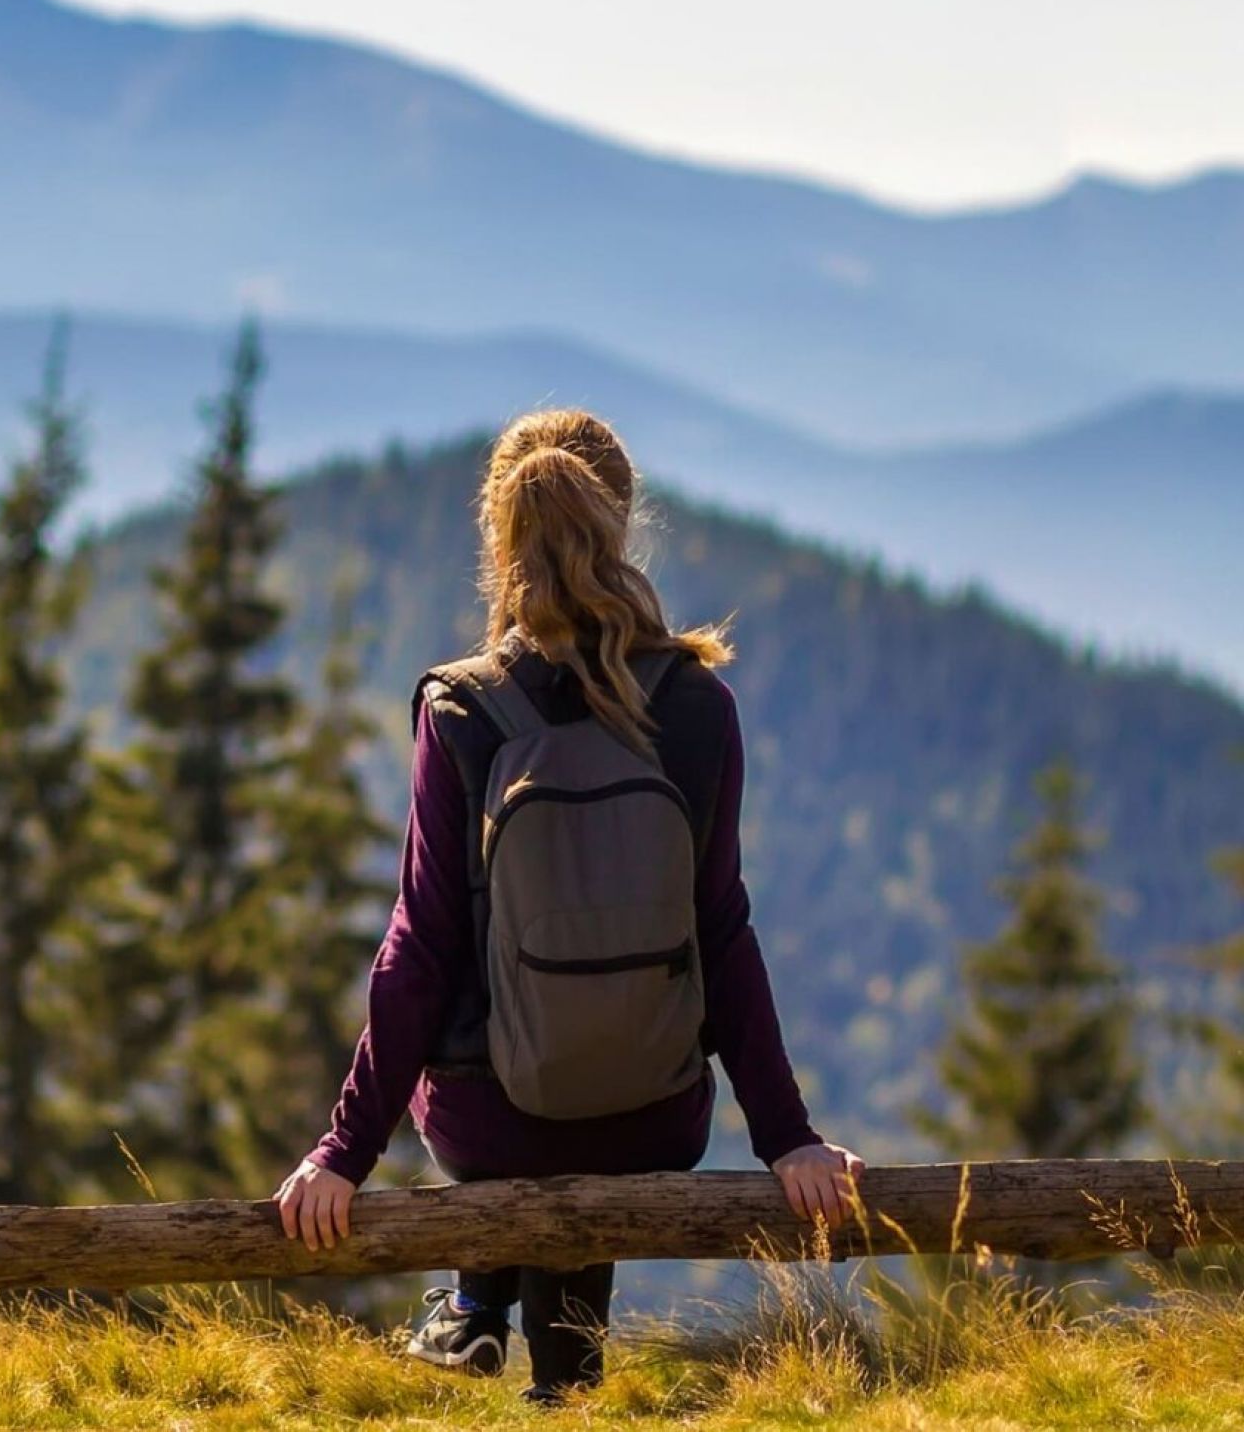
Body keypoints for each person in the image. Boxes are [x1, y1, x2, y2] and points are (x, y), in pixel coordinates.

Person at [275, 407, 865, 1405]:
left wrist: (344, 1152)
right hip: (651, 1119)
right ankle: (563, 1389)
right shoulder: (692, 705)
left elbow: (421, 945)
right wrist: (786, 1138)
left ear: (497, 538)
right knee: (590, 1096)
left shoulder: (461, 708)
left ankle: (471, 1305)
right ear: (620, 521)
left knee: (515, 1103)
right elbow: (719, 932)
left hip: (486, 1125)